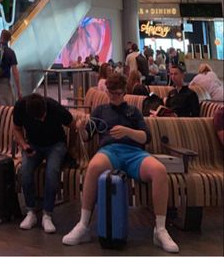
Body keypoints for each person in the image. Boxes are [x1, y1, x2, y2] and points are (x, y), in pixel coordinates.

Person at [63, 73, 179, 253]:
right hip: (110, 152)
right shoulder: (100, 111)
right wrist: (80, 129)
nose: (113, 97)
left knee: (159, 170)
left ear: (124, 92)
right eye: (110, 93)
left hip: (134, 153)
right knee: (93, 167)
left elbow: (145, 137)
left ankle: (160, 229)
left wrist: (127, 131)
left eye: (117, 93)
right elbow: (87, 137)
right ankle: (83, 225)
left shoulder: (133, 111)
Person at [13, 93, 73, 234]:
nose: (42, 119)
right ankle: (31, 212)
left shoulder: (53, 106)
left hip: (56, 144)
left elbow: (73, 125)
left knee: (51, 172)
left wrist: (73, 148)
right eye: (38, 118)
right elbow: (16, 128)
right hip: (33, 144)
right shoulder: (21, 107)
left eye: (43, 116)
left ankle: (47, 213)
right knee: (25, 171)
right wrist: (24, 145)